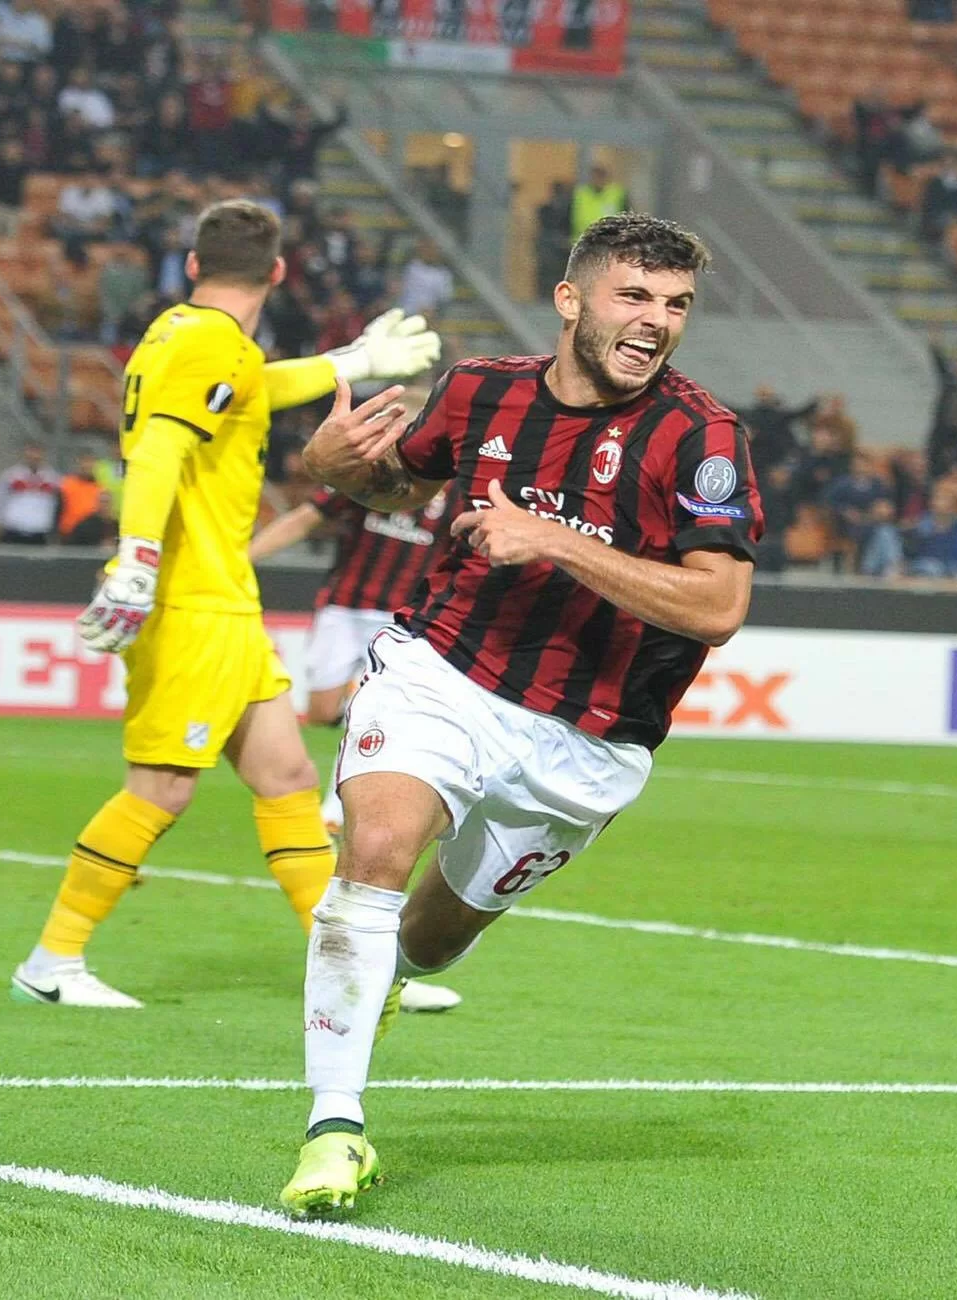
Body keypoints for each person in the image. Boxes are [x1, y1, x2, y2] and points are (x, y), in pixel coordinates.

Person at [279, 212, 761, 1214]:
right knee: (372, 853)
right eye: (633, 297)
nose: (654, 323)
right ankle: (334, 1128)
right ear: (571, 300)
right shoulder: (479, 391)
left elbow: (716, 606)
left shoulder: (699, 435)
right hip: (444, 669)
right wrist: (328, 464)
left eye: (674, 305)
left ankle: (398, 972)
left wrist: (553, 538)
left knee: (439, 933)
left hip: (587, 737)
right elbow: (388, 477)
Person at [10, 199, 443, 1009]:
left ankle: (349, 971)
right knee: (162, 788)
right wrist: (137, 561)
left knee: (286, 775)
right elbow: (160, 451)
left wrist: (350, 358)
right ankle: (52, 960)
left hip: (225, 602)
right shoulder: (211, 343)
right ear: (278, 272)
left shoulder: (193, 337)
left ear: (193, 265)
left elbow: (255, 388)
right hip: (190, 600)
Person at [247, 442, 456, 822]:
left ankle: (336, 807)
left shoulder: (460, 491)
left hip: (402, 618)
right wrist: (241, 560)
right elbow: (303, 518)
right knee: (322, 710)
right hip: (343, 608)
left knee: (365, 708)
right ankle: (376, 713)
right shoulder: (372, 478)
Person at [0, 442, 61, 544]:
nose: (34, 456)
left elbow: (58, 503)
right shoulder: (10, 475)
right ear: (25, 453)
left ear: (43, 454)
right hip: (13, 528)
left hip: (40, 530)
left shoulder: (54, 478)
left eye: (37, 452)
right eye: (31, 452)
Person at [569, 163, 628, 238]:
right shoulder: (580, 194)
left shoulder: (617, 194)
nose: (598, 180)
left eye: (601, 176)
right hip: (582, 240)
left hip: (610, 240)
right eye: (595, 177)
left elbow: (626, 217)